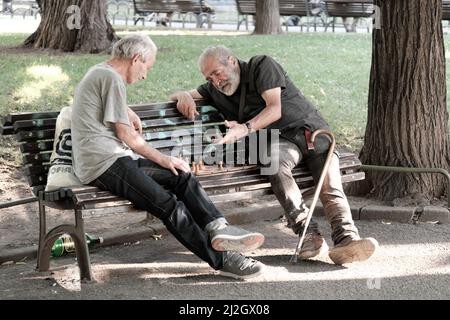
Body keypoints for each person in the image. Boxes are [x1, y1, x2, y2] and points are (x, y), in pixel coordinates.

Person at [71, 35, 265, 280]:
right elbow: (127, 136)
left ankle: (219, 229)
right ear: (137, 58)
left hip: (115, 158)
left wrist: (126, 110)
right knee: (168, 204)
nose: (145, 75)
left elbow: (92, 102)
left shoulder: (101, 72)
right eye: (147, 67)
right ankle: (222, 260)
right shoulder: (110, 78)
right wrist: (164, 159)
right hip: (103, 164)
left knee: (182, 176)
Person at [170, 45, 378, 265]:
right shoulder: (214, 90)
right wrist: (183, 95)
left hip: (309, 131)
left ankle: (346, 239)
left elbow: (274, 108)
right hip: (279, 143)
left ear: (231, 61)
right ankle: (309, 234)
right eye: (209, 77)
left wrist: (244, 128)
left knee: (329, 184)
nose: (215, 81)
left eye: (216, 73)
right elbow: (176, 94)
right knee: (273, 164)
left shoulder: (261, 66)